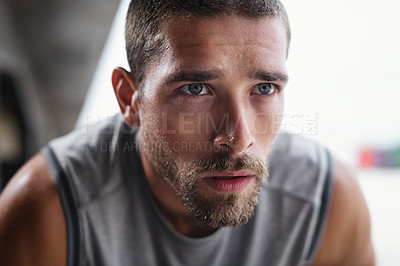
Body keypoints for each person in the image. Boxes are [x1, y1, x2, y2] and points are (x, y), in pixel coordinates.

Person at [0, 0, 375, 265]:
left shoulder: (325, 204)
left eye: (264, 88)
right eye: (195, 90)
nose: (239, 137)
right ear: (130, 99)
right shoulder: (46, 213)